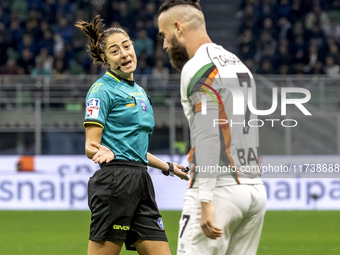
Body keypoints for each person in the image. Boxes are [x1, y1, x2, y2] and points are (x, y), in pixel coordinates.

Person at [158, 1, 266, 255]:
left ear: (178, 28)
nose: (163, 45)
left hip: (218, 190)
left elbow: (207, 135)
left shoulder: (197, 68)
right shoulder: (238, 64)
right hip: (254, 190)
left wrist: (205, 199)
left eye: (164, 36)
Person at [75, 15, 189, 255]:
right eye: (115, 51)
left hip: (141, 181)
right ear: (105, 58)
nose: (124, 54)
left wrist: (168, 167)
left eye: (127, 46)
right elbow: (90, 145)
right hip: (115, 183)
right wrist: (100, 150)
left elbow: (134, 150)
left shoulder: (139, 92)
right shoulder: (101, 90)